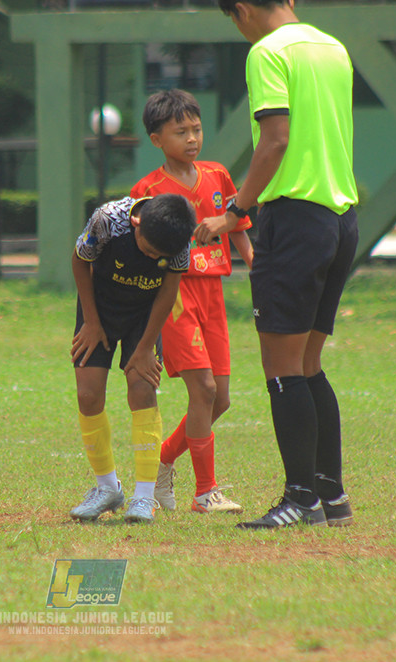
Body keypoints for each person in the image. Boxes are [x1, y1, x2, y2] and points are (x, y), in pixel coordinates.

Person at [203, 0, 358, 529]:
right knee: (309, 363)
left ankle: (300, 499)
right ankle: (330, 496)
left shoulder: (268, 52)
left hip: (294, 219)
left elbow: (276, 140)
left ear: (242, 9)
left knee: (282, 368)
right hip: (340, 219)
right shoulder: (333, 47)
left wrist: (236, 211)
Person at [131, 89, 254, 514]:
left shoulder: (218, 175)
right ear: (156, 139)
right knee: (201, 388)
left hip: (214, 293)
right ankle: (206, 492)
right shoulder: (147, 189)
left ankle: (164, 458)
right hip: (176, 294)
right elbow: (139, 245)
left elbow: (237, 224)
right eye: (179, 131)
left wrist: (255, 264)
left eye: (196, 129)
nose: (191, 138)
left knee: (220, 398)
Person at [70, 193, 195, 524]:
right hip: (99, 309)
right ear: (137, 224)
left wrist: (143, 349)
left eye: (160, 255)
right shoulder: (107, 220)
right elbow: (80, 260)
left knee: (142, 388)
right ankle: (107, 488)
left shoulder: (179, 240)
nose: (153, 256)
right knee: (88, 393)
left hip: (145, 315)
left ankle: (144, 497)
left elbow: (169, 289)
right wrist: (92, 323)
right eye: (149, 249)